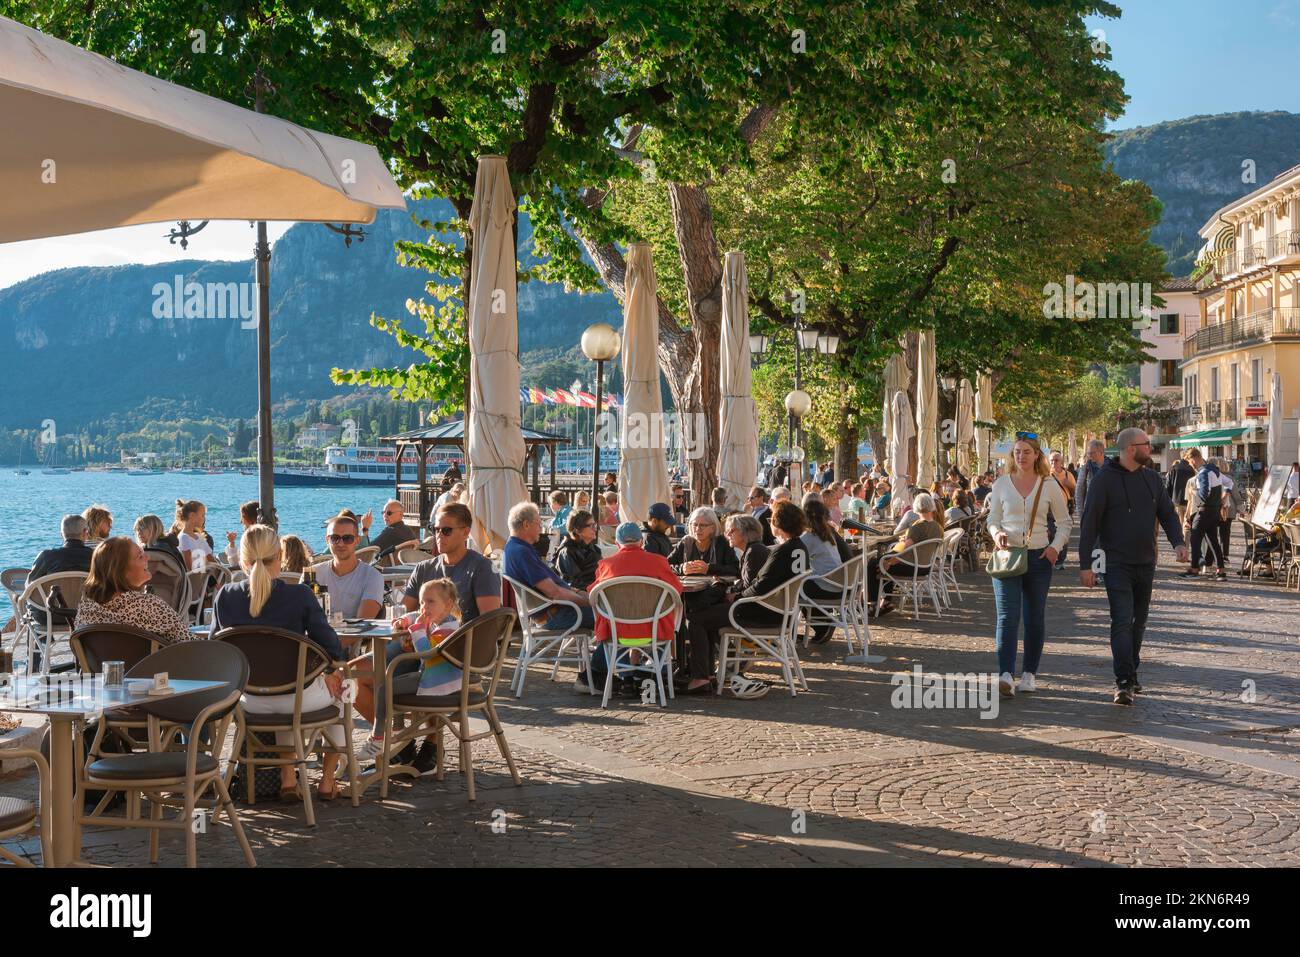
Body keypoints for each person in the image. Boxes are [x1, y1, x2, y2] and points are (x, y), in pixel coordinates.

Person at [212, 525, 350, 800]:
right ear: (279, 558)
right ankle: (326, 779)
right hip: (296, 697)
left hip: (248, 700)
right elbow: (331, 645)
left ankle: (288, 778)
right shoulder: (299, 595)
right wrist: (333, 671)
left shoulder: (225, 596)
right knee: (347, 689)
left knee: (283, 690)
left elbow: (216, 651)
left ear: (243, 560)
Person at [1079, 428, 1187, 705]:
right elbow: (1089, 523)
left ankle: (1132, 671)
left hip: (1146, 562)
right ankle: (1123, 681)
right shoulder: (1104, 481)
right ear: (1130, 449)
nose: (1150, 448)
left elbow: (1167, 513)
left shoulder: (1152, 478)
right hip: (1115, 564)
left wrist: (1178, 542)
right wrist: (1086, 564)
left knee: (1138, 624)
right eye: (1146, 444)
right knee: (1122, 620)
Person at [680, 502, 810, 698]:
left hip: (760, 613)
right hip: (779, 612)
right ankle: (708, 674)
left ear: (778, 524)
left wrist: (736, 596)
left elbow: (761, 586)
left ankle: (701, 676)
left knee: (696, 619)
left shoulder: (775, 551)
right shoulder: (798, 548)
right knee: (707, 616)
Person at [985, 433, 1071, 698]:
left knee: (1034, 618)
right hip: (1007, 556)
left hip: (1038, 558)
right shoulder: (1001, 484)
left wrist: (1054, 547)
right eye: (1017, 452)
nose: (1020, 456)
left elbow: (1064, 521)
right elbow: (992, 518)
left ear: (1036, 455)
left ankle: (1029, 674)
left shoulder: (1048, 485)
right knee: (1007, 617)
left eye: (1026, 452)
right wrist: (996, 533)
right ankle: (1006, 674)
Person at [351, 577, 460, 769]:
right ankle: (400, 740)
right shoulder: (440, 620)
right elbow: (415, 615)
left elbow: (425, 653)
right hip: (434, 677)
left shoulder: (448, 629)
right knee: (393, 680)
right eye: (422, 602)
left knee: (386, 688)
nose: (424, 607)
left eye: (430, 602)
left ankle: (378, 737)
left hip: (435, 682)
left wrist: (417, 629)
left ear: (448, 604)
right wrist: (404, 620)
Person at [589, 523, 685, 692]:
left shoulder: (606, 565)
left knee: (611, 623)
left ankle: (627, 678)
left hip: (618, 630)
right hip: (654, 629)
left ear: (617, 544)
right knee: (667, 616)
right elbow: (677, 590)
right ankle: (657, 674)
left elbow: (593, 595)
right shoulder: (659, 562)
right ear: (641, 541)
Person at [75, 537, 191, 645]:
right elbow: (189, 644)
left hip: (99, 667)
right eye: (140, 556)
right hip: (152, 667)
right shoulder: (150, 607)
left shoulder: (86, 610)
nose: (148, 557)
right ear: (121, 572)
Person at [503, 501, 594, 637]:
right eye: (539, 524)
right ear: (526, 525)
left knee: (611, 611)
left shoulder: (514, 548)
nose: (541, 528)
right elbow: (555, 592)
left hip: (555, 611)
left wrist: (581, 593)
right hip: (556, 615)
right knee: (616, 615)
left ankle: (606, 656)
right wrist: (589, 601)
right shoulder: (521, 552)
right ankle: (612, 658)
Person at [401, 503, 502, 622]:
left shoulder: (482, 568)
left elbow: (490, 623)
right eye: (436, 529)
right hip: (426, 639)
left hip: (466, 640)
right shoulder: (422, 569)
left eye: (446, 530)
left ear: (465, 532)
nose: (439, 535)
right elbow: (404, 613)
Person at [867, 493, 944, 614]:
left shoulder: (918, 527)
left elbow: (904, 550)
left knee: (873, 564)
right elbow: (917, 544)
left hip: (911, 566)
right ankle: (885, 601)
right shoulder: (938, 527)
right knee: (883, 561)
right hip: (925, 567)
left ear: (916, 507)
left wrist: (890, 562)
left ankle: (872, 603)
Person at [309, 514, 385, 619]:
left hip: (354, 635)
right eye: (334, 538)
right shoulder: (313, 575)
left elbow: (362, 624)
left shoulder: (372, 577)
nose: (340, 544)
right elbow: (302, 615)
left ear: (357, 541)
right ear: (327, 540)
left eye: (347, 538)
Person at [800, 498, 854, 643]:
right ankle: (823, 622)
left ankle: (821, 626)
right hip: (842, 584)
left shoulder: (809, 536)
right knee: (806, 584)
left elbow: (795, 553)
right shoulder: (828, 533)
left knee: (796, 588)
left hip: (829, 586)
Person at [1181, 448, 1226, 580]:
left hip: (1204, 511)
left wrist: (1193, 491)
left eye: (1190, 462)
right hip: (1214, 511)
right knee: (1213, 541)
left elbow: (1204, 494)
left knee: (1195, 539)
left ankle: (1194, 569)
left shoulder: (1203, 473)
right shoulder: (1214, 471)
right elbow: (1228, 484)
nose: (1191, 465)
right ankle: (1220, 570)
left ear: (1194, 458)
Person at [668, 507, 741, 579]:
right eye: (695, 525)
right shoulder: (685, 542)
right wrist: (682, 569)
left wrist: (709, 569)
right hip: (687, 589)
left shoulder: (722, 543)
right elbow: (665, 566)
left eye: (703, 525)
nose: (698, 529)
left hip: (714, 588)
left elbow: (736, 569)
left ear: (713, 527)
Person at [552, 509, 601, 590]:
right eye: (591, 526)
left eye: (595, 525)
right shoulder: (567, 551)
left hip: (597, 590)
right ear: (578, 531)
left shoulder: (595, 549)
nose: (595, 529)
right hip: (579, 595)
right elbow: (572, 582)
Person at [1048, 450, 1077, 570]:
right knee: (1050, 534)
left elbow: (1075, 491)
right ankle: (1050, 559)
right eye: (1051, 460)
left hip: (1064, 510)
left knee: (1064, 536)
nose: (1054, 462)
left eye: (1056, 460)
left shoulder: (1068, 475)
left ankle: (1060, 561)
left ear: (1062, 462)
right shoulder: (1046, 475)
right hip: (1048, 511)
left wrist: (1068, 484)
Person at [173, 500, 215, 570]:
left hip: (206, 576)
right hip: (198, 579)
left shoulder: (198, 537)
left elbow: (211, 559)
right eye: (202, 515)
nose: (204, 518)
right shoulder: (184, 537)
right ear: (192, 515)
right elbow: (189, 568)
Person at [1163, 450, 1195, 524]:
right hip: (1189, 500)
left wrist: (1169, 500)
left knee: (1179, 522)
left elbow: (1168, 485)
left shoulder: (1173, 468)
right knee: (1188, 522)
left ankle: (1180, 535)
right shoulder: (1192, 469)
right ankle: (1186, 535)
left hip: (1176, 499)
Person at [1077, 439, 1107, 517]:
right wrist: (1081, 513)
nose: (1089, 455)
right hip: (1092, 511)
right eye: (1088, 453)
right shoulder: (1086, 468)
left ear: (1101, 452)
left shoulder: (1112, 466)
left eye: (1092, 453)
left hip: (1110, 511)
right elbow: (1079, 490)